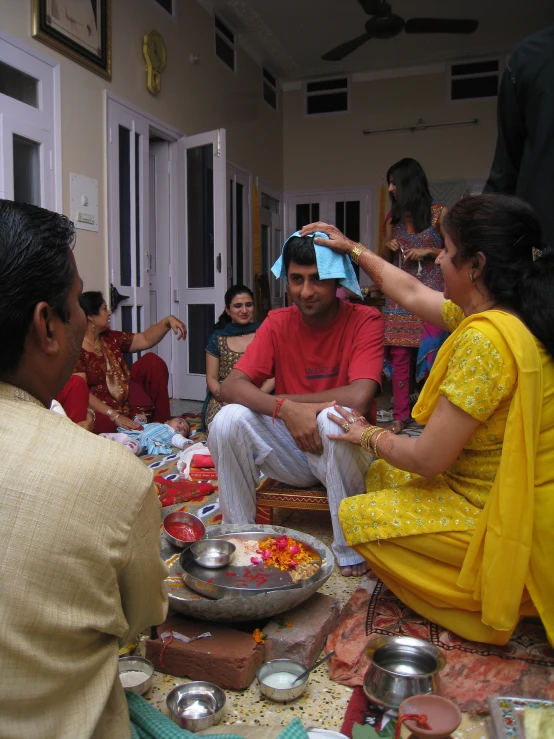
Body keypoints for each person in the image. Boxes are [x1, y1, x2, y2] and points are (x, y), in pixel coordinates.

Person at [300, 194, 554, 646]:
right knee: (380, 477)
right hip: (507, 494)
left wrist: (366, 432)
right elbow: (413, 292)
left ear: (475, 265)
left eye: (447, 251)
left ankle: (497, 595)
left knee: (358, 516)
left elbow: (426, 458)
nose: (438, 259)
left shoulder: (485, 342)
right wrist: (352, 249)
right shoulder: (513, 313)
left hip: (494, 511)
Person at [0, 199, 168, 737]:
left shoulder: (115, 346)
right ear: (46, 327)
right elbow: (144, 616)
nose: (84, 317)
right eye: (76, 302)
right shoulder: (109, 476)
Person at [208, 233, 384, 577]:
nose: (306, 291)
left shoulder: (365, 320)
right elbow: (231, 386)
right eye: (296, 279)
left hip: (348, 451)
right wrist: (285, 410)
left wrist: (295, 406)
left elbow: (359, 396)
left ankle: (350, 547)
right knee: (227, 420)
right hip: (297, 448)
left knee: (334, 418)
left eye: (317, 279)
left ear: (337, 279)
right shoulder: (278, 321)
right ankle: (241, 538)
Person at [382, 158, 448, 433]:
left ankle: (436, 414)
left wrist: (430, 252)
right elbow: (383, 263)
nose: (390, 188)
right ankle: (400, 415)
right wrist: (388, 246)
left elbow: (457, 254)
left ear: (409, 182)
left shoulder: (440, 215)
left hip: (432, 298)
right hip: (398, 299)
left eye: (395, 182)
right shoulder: (392, 220)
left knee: (436, 358)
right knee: (399, 357)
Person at [74, 291, 186, 434]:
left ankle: (163, 427)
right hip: (102, 407)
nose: (109, 313)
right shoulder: (77, 349)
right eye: (104, 309)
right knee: (101, 426)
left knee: (152, 362)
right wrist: (114, 415)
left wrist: (167, 321)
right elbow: (81, 392)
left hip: (126, 397)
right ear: (90, 317)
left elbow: (145, 338)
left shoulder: (110, 338)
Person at [484, 25, 554, 246]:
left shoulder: (531, 55)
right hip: (542, 247)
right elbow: (506, 169)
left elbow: (505, 171)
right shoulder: (531, 56)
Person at [202, 284, 274, 429]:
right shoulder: (218, 337)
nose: (244, 310)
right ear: (227, 310)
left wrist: (255, 397)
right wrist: (226, 398)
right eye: (237, 306)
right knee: (223, 426)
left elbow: (275, 375)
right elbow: (211, 378)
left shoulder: (265, 332)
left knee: (269, 428)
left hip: (262, 393)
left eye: (248, 305)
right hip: (225, 397)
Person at [102, 415, 191, 456]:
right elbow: (135, 424)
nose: (181, 426)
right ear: (167, 421)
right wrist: (140, 419)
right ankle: (97, 444)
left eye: (184, 430)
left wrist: (187, 445)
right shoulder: (156, 424)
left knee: (130, 447)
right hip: (129, 434)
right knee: (105, 436)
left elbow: (181, 441)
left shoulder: (173, 435)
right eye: (180, 422)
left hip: (141, 443)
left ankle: (114, 456)